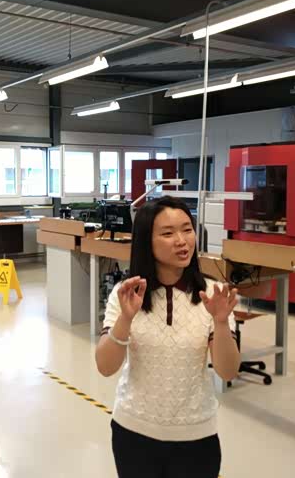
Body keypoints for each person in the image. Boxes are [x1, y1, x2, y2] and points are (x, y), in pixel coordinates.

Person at [95, 195, 242, 478]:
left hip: (196, 436)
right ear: (146, 242)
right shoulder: (126, 294)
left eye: (187, 229)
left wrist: (221, 322)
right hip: (134, 432)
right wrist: (126, 318)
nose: (182, 241)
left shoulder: (212, 294)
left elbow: (227, 371)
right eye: (167, 233)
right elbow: (105, 366)